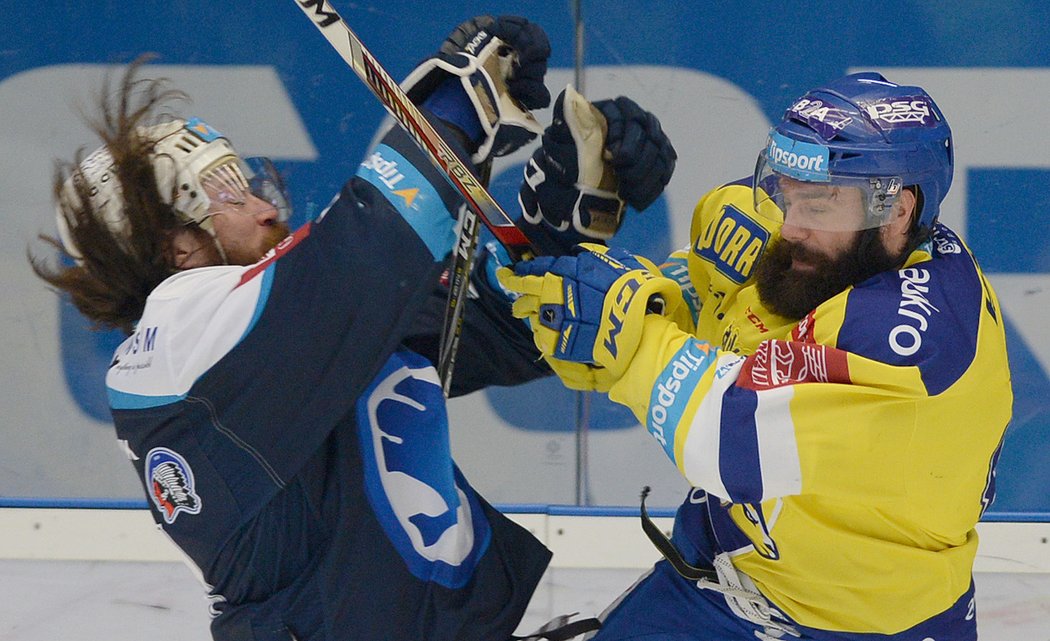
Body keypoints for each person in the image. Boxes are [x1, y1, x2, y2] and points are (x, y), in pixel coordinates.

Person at [27, 15, 676, 641]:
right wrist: (456, 103)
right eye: (225, 192)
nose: (259, 205)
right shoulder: (172, 345)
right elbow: (365, 250)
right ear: (176, 247)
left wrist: (557, 215)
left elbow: (482, 326)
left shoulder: (277, 345)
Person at [498, 72, 1012, 640]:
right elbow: (707, 302)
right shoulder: (810, 232)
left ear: (897, 211)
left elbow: (732, 441)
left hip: (870, 630)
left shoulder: (912, 338)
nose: (788, 226)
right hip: (720, 588)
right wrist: (610, 280)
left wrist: (625, 334)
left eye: (816, 204)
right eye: (786, 191)